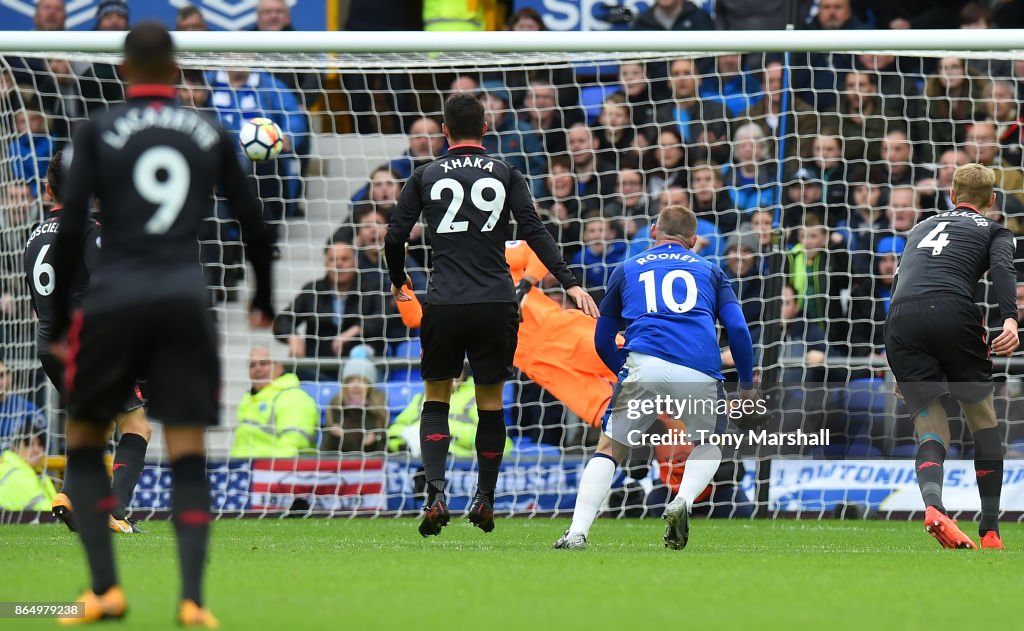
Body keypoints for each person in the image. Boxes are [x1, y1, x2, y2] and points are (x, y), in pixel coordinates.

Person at [48, 23, 274, 626]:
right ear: (176, 70)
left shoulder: (97, 131)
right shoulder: (208, 130)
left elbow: (72, 228)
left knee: (88, 436)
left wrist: (54, 328)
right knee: (188, 453)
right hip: (183, 297)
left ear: (123, 69)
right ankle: (194, 601)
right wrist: (267, 295)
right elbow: (251, 219)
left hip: (114, 300)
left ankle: (105, 590)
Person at [384, 92, 598, 537]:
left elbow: (395, 235)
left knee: (437, 399)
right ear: (486, 129)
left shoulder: (424, 174)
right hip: (497, 302)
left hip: (443, 301)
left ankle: (435, 494)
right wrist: (570, 281)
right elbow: (534, 230)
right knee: (490, 403)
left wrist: (399, 280)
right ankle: (484, 498)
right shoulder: (506, 172)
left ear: (444, 131)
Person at [554, 206, 755, 550]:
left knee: (609, 449)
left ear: (652, 233)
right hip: (698, 370)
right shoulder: (711, 270)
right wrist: (747, 383)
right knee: (710, 443)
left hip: (643, 363)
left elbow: (603, 337)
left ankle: (577, 533)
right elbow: (737, 329)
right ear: (693, 240)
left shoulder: (627, 268)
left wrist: (624, 369)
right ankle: (683, 501)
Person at [885, 163, 1018, 551]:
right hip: (952, 310)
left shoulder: (920, 227)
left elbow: (899, 281)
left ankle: (934, 508)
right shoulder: (996, 230)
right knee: (982, 421)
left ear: (950, 196)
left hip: (901, 320)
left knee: (930, 429)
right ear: (992, 200)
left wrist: (898, 360)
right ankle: (990, 530)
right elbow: (1004, 273)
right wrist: (1009, 320)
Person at [24, 151, 153, 534]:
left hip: (49, 344)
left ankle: (69, 496)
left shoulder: (34, 236)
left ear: (48, 190)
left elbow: (36, 305)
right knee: (136, 426)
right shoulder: (90, 231)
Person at [273, 240, 386, 379]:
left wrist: (355, 330)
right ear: (326, 264)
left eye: (344, 259)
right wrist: (292, 337)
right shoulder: (313, 291)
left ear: (355, 263)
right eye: (333, 259)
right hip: (318, 370)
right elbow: (283, 320)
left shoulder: (371, 288)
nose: (338, 264)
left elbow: (384, 316)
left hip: (362, 369)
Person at [231, 347, 318, 458]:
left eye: (264, 363)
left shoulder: (292, 397)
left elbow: (292, 445)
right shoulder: (248, 399)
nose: (257, 369)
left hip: (274, 470)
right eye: (252, 365)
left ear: (279, 367)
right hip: (244, 468)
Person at [322, 358, 387, 453]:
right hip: (341, 466)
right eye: (350, 381)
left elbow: (386, 451)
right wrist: (333, 437)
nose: (356, 385)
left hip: (371, 466)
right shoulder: (335, 409)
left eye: (361, 380)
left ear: (369, 385)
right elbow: (325, 452)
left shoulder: (379, 411)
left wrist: (372, 444)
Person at [0, 431, 56, 511]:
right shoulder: (17, 473)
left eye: (40, 445)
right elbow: (46, 509)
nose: (36, 450)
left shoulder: (38, 474)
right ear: (15, 447)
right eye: (29, 444)